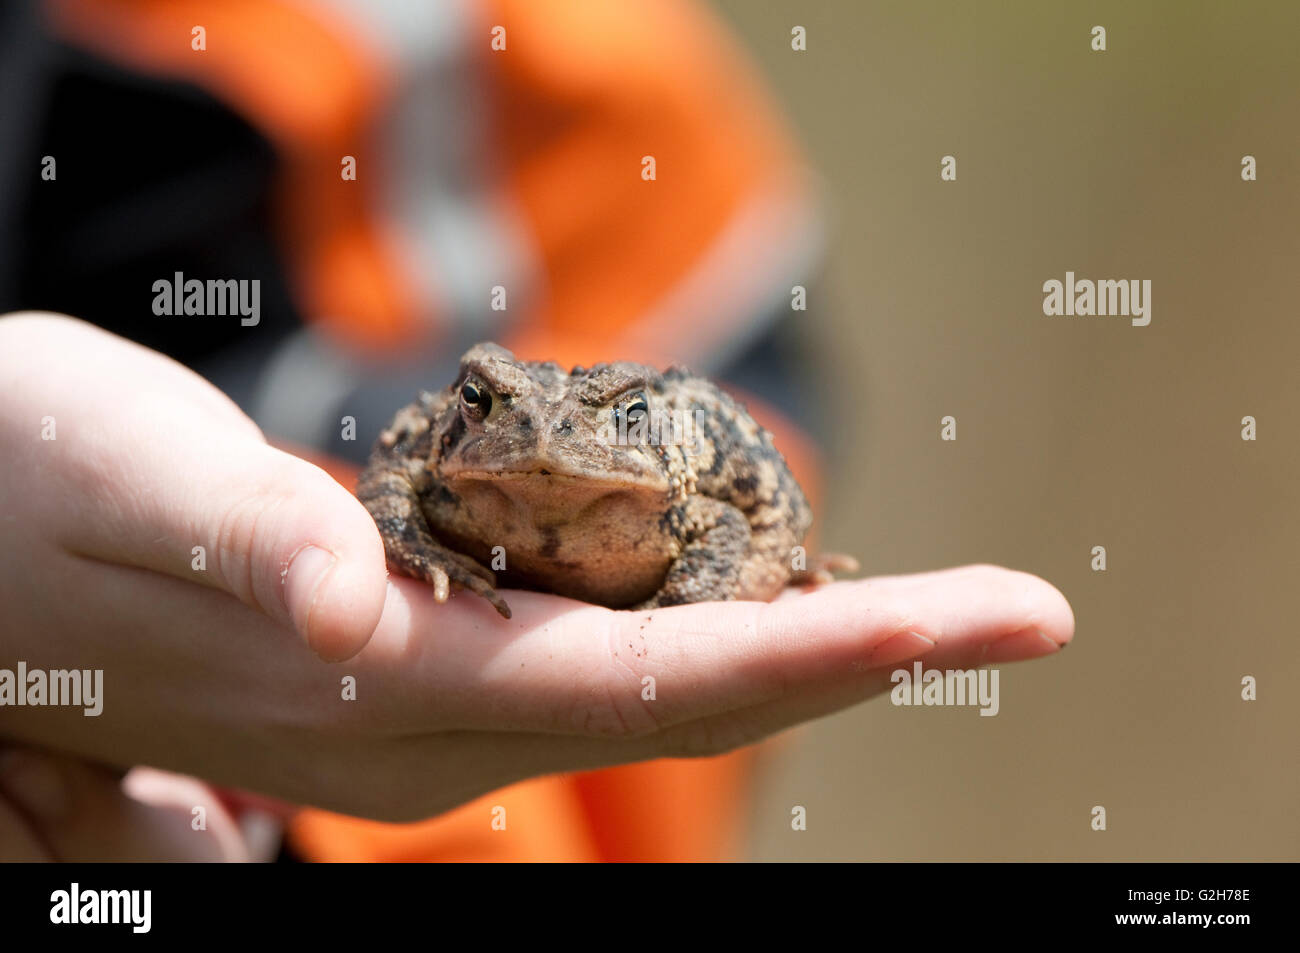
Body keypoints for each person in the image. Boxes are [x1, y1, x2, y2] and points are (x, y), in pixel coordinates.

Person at [0, 0, 1073, 862]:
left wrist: (762, 566)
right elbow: (393, 472)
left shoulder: (517, 72)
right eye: (496, 413)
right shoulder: (447, 462)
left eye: (596, 426)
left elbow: (736, 391)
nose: (547, 441)